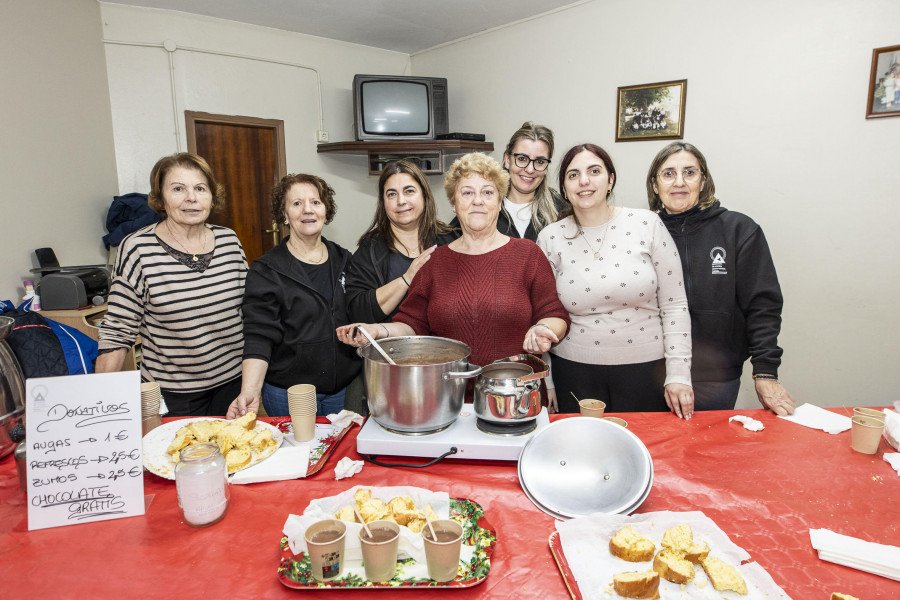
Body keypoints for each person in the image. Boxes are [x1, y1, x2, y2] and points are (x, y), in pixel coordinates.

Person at [337, 153, 570, 395]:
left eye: (488, 193)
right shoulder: (434, 260)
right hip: (448, 398)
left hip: (515, 396)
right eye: (467, 193)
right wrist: (377, 331)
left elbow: (555, 314)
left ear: (499, 201)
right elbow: (411, 324)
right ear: (453, 202)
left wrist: (543, 328)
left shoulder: (528, 254)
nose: (478, 201)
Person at [536, 143, 694, 417]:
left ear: (610, 180)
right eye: (573, 175)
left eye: (594, 171)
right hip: (573, 372)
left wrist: (679, 374)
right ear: (564, 188)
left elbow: (675, 305)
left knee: (648, 452)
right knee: (583, 454)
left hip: (648, 370)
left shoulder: (647, 224)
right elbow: (543, 314)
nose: (584, 181)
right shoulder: (550, 237)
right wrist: (546, 379)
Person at [646, 142, 795, 415]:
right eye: (668, 174)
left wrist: (765, 372)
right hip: (652, 371)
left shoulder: (739, 230)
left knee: (705, 453)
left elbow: (764, 306)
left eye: (689, 172)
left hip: (717, 376)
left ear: (703, 180)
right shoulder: (642, 232)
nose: (679, 182)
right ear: (655, 185)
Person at [97, 152, 247, 416]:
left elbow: (249, 309)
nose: (191, 197)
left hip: (233, 384)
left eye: (200, 188)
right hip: (173, 393)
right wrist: (100, 407)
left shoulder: (229, 241)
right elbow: (118, 332)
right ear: (161, 199)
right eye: (178, 188)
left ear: (212, 197)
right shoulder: (137, 248)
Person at [228, 174, 360, 419]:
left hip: (342, 389)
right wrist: (250, 390)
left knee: (338, 453)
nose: (308, 210)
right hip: (289, 394)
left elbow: (361, 310)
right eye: (297, 203)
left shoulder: (345, 259)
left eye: (316, 202)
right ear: (284, 215)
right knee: (300, 453)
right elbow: (259, 335)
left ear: (326, 211)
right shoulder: (266, 270)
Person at [345, 160, 457, 324]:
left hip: (445, 346)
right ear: (383, 203)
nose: (401, 201)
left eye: (409, 191)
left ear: (424, 196)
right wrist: (406, 279)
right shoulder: (370, 249)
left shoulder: (452, 240)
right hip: (389, 346)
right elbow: (357, 311)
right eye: (391, 194)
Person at [450, 121, 563, 241]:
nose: (530, 169)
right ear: (507, 159)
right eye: (522, 159)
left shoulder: (560, 209)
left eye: (540, 162)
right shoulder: (483, 203)